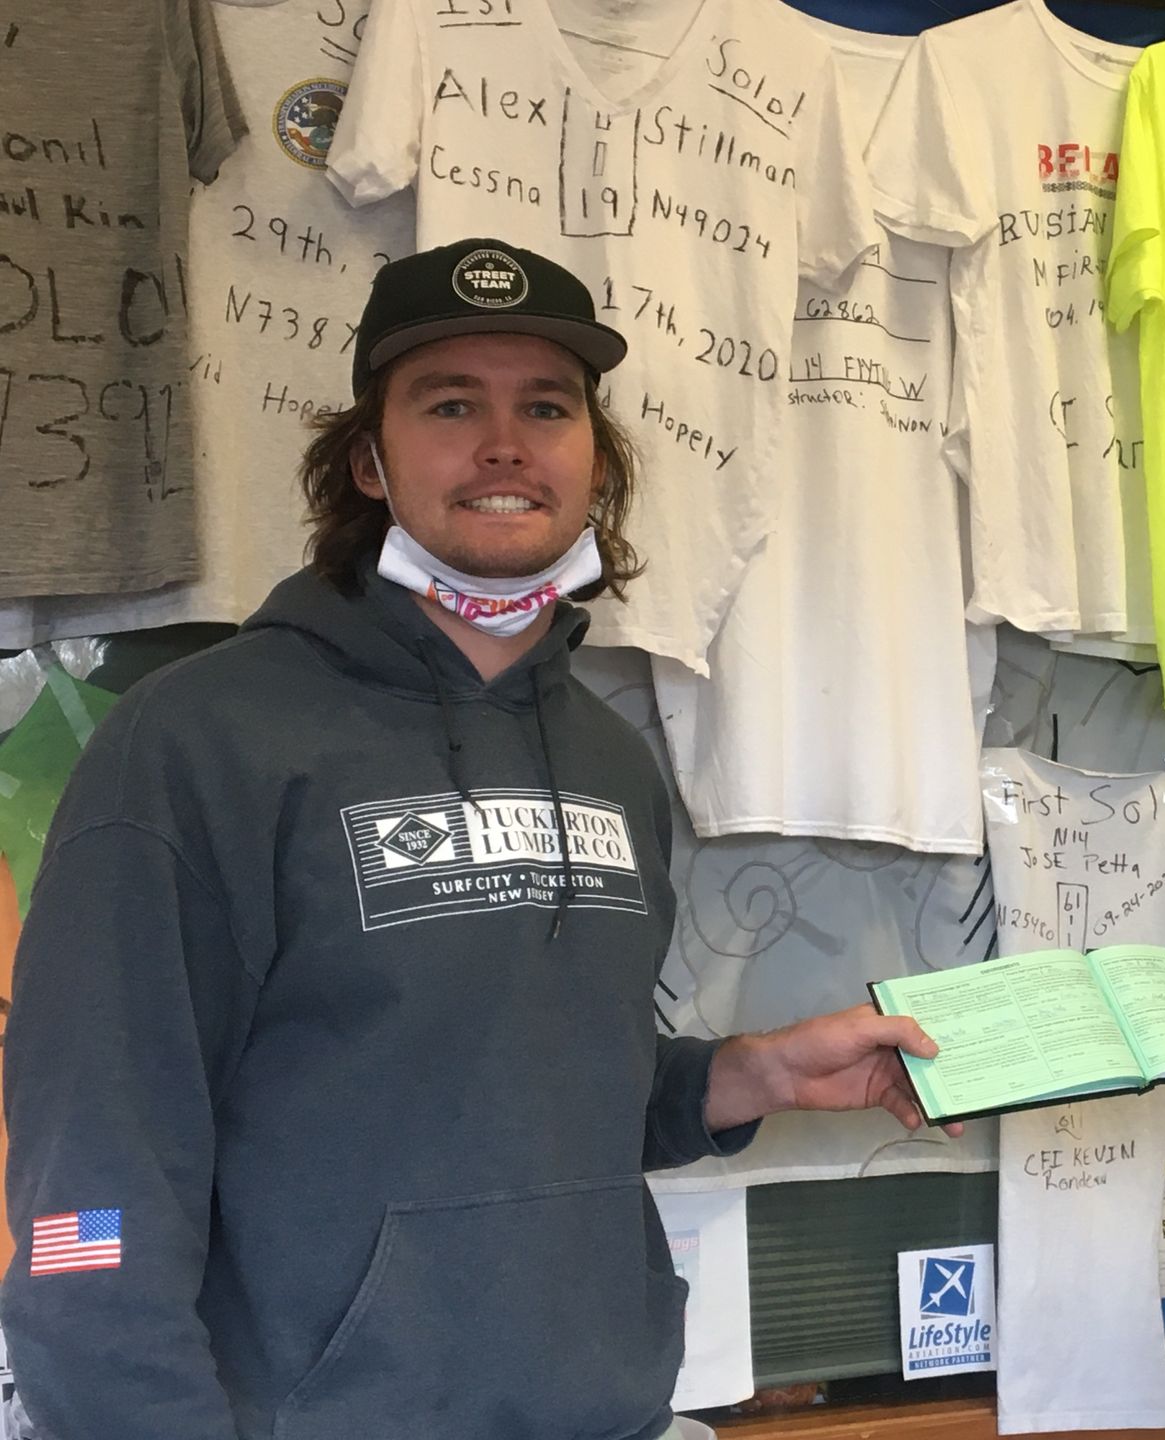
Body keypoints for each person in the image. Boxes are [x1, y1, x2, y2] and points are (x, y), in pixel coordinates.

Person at [0, 238, 950, 1440]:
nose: (505, 442)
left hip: (609, 1413)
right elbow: (92, 1172)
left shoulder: (608, 767)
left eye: (545, 407)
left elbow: (527, 1092)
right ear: (367, 462)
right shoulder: (195, 744)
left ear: (592, 459)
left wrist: (746, 1075)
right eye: (451, 405)